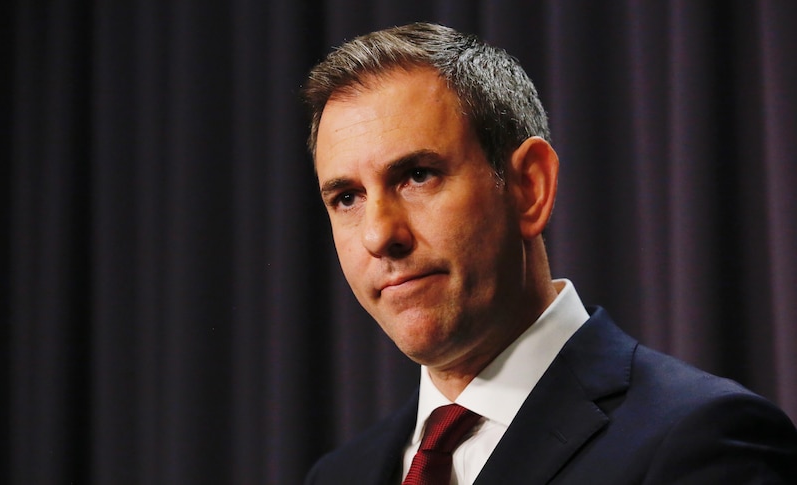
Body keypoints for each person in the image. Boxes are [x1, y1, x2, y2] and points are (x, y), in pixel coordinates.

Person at [302, 22, 797, 484]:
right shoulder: (339, 474)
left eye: (417, 175)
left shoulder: (704, 440)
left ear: (529, 187)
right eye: (347, 198)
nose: (379, 234)